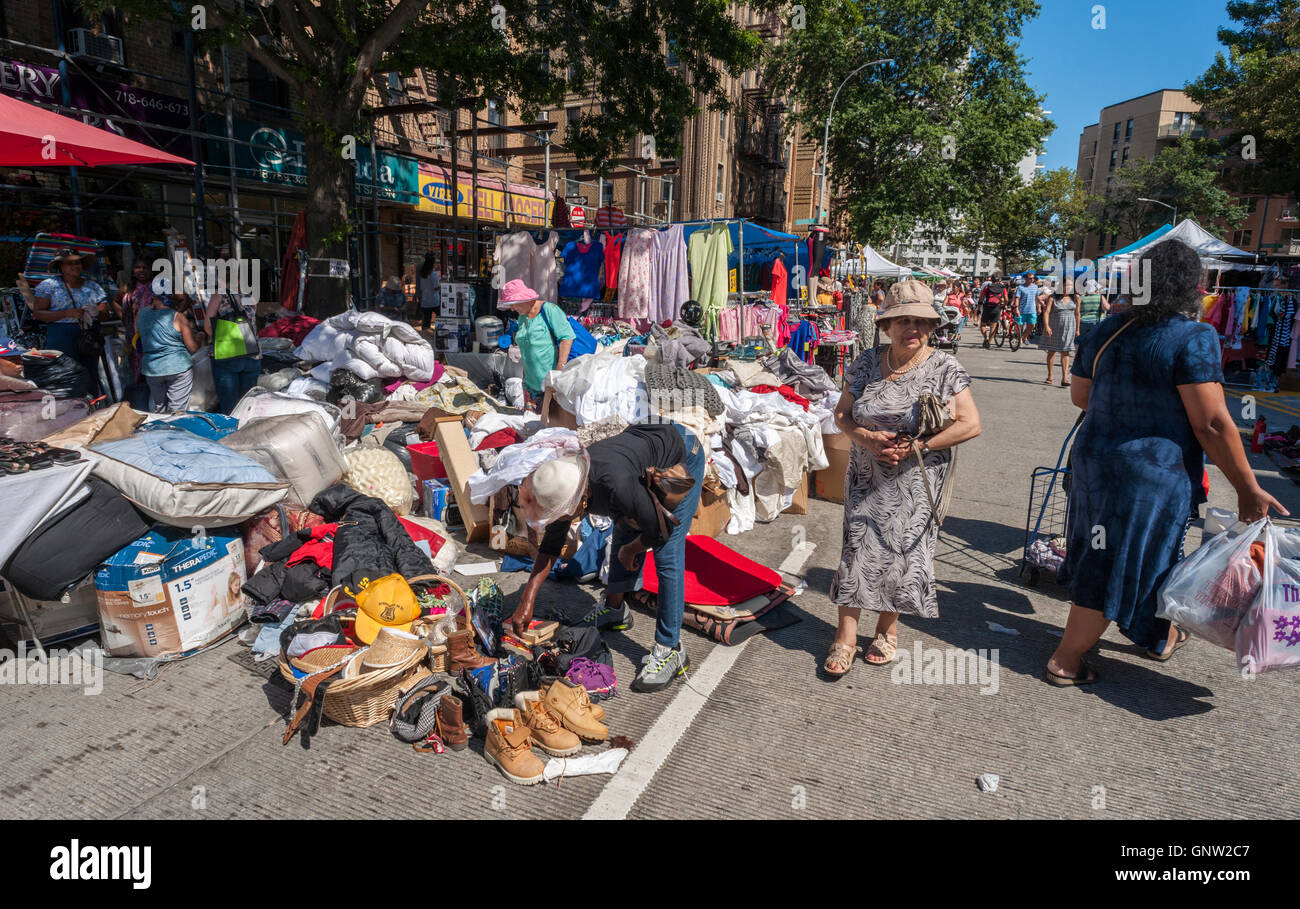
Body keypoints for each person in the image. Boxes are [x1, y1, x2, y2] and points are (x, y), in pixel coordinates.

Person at [1047, 239, 1288, 685]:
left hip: (1095, 463)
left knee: (1132, 551)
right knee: (1117, 559)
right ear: (1190, 287)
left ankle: (1159, 636)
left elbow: (1081, 395)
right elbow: (1212, 423)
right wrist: (1247, 487)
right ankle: (1067, 657)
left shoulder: (1106, 329)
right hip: (1150, 474)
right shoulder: (1193, 337)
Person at [823, 280, 982, 676]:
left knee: (903, 555)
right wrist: (864, 437)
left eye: (922, 322)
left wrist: (920, 447)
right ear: (887, 325)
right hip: (865, 477)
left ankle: (886, 631)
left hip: (916, 484)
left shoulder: (945, 366)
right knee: (856, 553)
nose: (913, 329)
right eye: (903, 320)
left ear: (931, 327)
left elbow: (970, 424)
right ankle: (845, 637)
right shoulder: (864, 362)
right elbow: (841, 414)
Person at [508, 421, 707, 692]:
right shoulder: (568, 485)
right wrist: (526, 600)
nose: (565, 520)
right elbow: (551, 546)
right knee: (624, 526)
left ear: (580, 499)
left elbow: (661, 530)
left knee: (667, 554)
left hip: (680, 455)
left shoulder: (617, 485)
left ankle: (670, 648)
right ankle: (615, 612)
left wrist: (632, 550)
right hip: (639, 455)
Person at [30, 247, 109, 389]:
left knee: (90, 374)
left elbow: (105, 315)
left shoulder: (94, 287)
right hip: (61, 336)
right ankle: (70, 409)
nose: (75, 266)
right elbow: (39, 313)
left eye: (77, 263)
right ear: (61, 267)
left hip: (89, 336)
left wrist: (95, 311)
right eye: (69, 263)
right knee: (65, 375)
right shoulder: (48, 286)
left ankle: (93, 406)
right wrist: (65, 314)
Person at [497, 278, 572, 405]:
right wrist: (524, 376)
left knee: (550, 422)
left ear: (525, 299)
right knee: (530, 422)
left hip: (550, 383)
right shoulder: (522, 317)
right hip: (530, 384)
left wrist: (560, 369)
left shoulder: (549, 310)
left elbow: (567, 337)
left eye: (513, 303)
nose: (511, 308)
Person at [139, 280, 202, 412]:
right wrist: (199, 338)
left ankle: (161, 430)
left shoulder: (141, 314)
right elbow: (193, 348)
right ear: (170, 295)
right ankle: (175, 430)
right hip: (178, 368)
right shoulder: (178, 317)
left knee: (159, 408)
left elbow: (139, 335)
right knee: (177, 410)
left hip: (152, 369)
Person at [203, 277, 261, 414]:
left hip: (228, 356)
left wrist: (222, 340)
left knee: (230, 408)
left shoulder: (219, 295)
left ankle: (232, 433)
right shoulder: (251, 294)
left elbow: (207, 326)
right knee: (247, 403)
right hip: (252, 353)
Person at [112, 258, 161, 393]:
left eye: (145, 267)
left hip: (154, 333)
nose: (141, 270)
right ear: (133, 271)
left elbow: (182, 298)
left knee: (154, 366)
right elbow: (115, 301)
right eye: (138, 267)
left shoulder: (158, 286)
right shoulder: (128, 288)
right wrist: (123, 317)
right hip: (134, 335)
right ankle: (144, 397)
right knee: (138, 367)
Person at [1040, 279, 1079, 386]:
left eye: (1071, 285)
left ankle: (1065, 378)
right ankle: (1050, 375)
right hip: (1054, 327)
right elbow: (1046, 313)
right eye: (1067, 285)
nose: (1069, 287)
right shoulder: (1053, 297)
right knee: (1051, 351)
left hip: (1069, 327)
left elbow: (1077, 314)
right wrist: (1047, 326)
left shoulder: (1076, 298)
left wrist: (1077, 329)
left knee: (1065, 351)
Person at [979, 274, 1008, 348]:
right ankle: (989, 342)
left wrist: (979, 307)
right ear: (999, 280)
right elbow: (1006, 299)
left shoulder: (987, 287)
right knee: (993, 327)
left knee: (983, 325)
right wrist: (1004, 305)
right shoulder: (1002, 288)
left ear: (991, 280)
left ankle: (985, 338)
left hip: (987, 307)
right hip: (997, 308)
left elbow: (981, 298)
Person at [417, 254, 441, 332]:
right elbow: (436, 288)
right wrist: (442, 285)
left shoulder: (422, 274)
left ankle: (425, 336)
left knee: (426, 321)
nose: (436, 264)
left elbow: (421, 287)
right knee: (441, 317)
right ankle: (439, 332)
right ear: (432, 264)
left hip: (425, 300)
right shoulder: (434, 274)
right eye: (435, 263)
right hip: (434, 301)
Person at [1013, 273, 1040, 344]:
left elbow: (1037, 298)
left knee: (1032, 325)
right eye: (1030, 278)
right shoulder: (1020, 287)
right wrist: (1016, 308)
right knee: (1020, 326)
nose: (1032, 280)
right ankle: (1020, 339)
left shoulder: (1035, 287)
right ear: (1025, 279)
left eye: (1033, 278)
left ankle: (1024, 337)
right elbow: (1017, 298)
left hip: (1032, 310)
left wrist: (1040, 306)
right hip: (1021, 310)